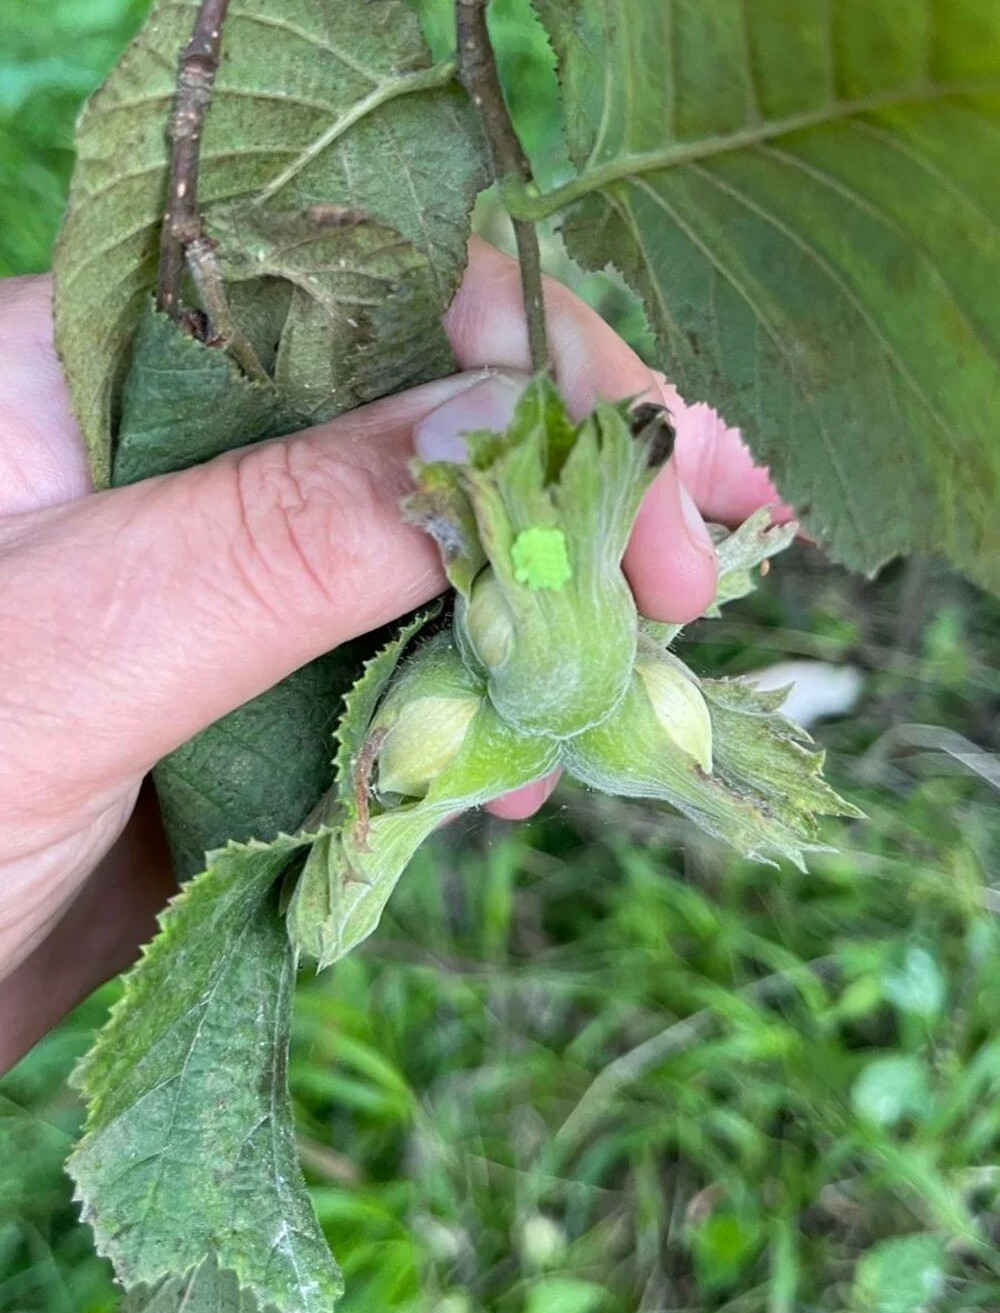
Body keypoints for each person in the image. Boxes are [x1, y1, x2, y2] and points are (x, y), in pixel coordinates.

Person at [0, 237, 783, 1072]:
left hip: (526, 579)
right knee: (545, 548)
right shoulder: (529, 569)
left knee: (543, 550)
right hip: (527, 572)